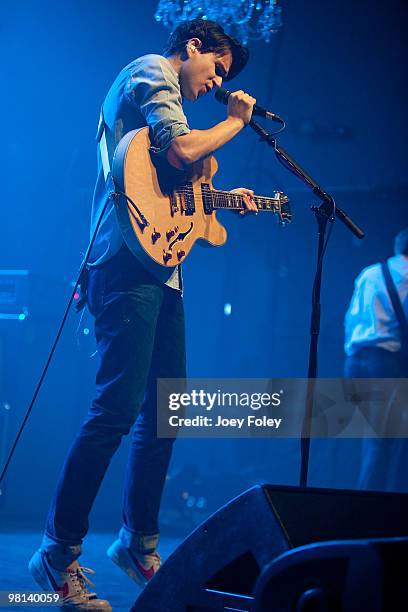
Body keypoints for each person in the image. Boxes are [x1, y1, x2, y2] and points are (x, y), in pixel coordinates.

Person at [29, 18, 258, 610]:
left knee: (163, 411)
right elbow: (180, 149)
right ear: (192, 48)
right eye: (217, 69)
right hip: (123, 265)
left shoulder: (176, 97)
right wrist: (235, 122)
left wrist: (223, 200)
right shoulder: (151, 72)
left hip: (162, 270)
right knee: (116, 410)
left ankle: (137, 541)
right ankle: (56, 555)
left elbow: (176, 184)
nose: (217, 82)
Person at [344, 227, 408, 491]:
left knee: (371, 439)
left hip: (355, 361)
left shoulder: (369, 272)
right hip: (384, 363)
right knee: (382, 444)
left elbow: (350, 320)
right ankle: (369, 516)